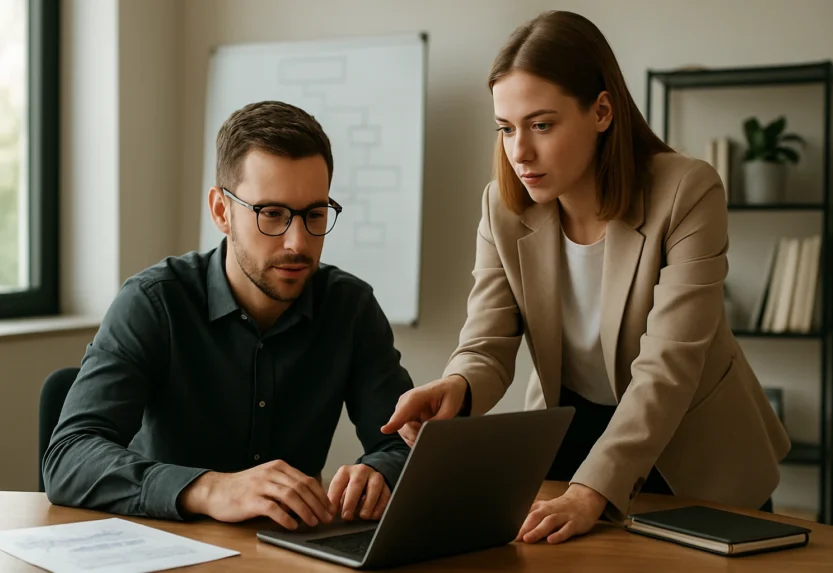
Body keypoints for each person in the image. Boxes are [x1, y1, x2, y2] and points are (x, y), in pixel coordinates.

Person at [382, 10, 790, 545]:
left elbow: (668, 366)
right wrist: (456, 386)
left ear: (602, 111)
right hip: (573, 438)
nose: (519, 152)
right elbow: (488, 341)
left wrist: (592, 489)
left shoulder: (687, 191)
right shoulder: (502, 206)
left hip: (694, 449)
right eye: (506, 128)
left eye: (542, 124)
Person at [44, 101, 413, 531]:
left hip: (287, 555)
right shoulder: (153, 301)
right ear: (222, 211)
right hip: (167, 548)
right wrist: (211, 488)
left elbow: (406, 446)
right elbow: (69, 456)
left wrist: (380, 473)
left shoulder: (350, 307)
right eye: (271, 214)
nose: (298, 242)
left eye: (314, 215)